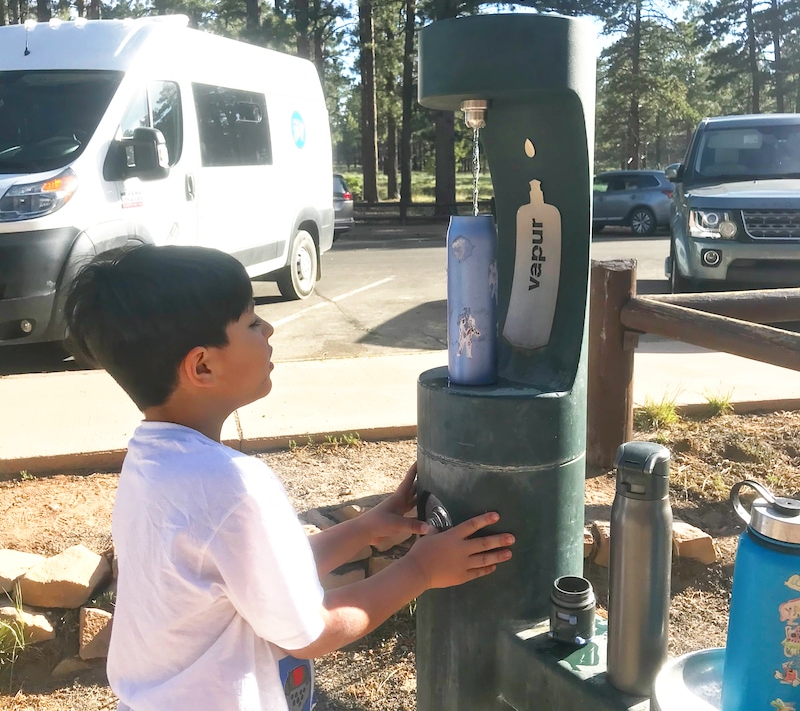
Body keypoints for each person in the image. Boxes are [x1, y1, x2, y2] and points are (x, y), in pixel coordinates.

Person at [64, 244, 515, 711]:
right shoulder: (233, 486)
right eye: (252, 322)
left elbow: (255, 576)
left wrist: (363, 530)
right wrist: (421, 569)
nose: (270, 328)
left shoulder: (150, 464)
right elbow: (311, 631)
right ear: (203, 366)